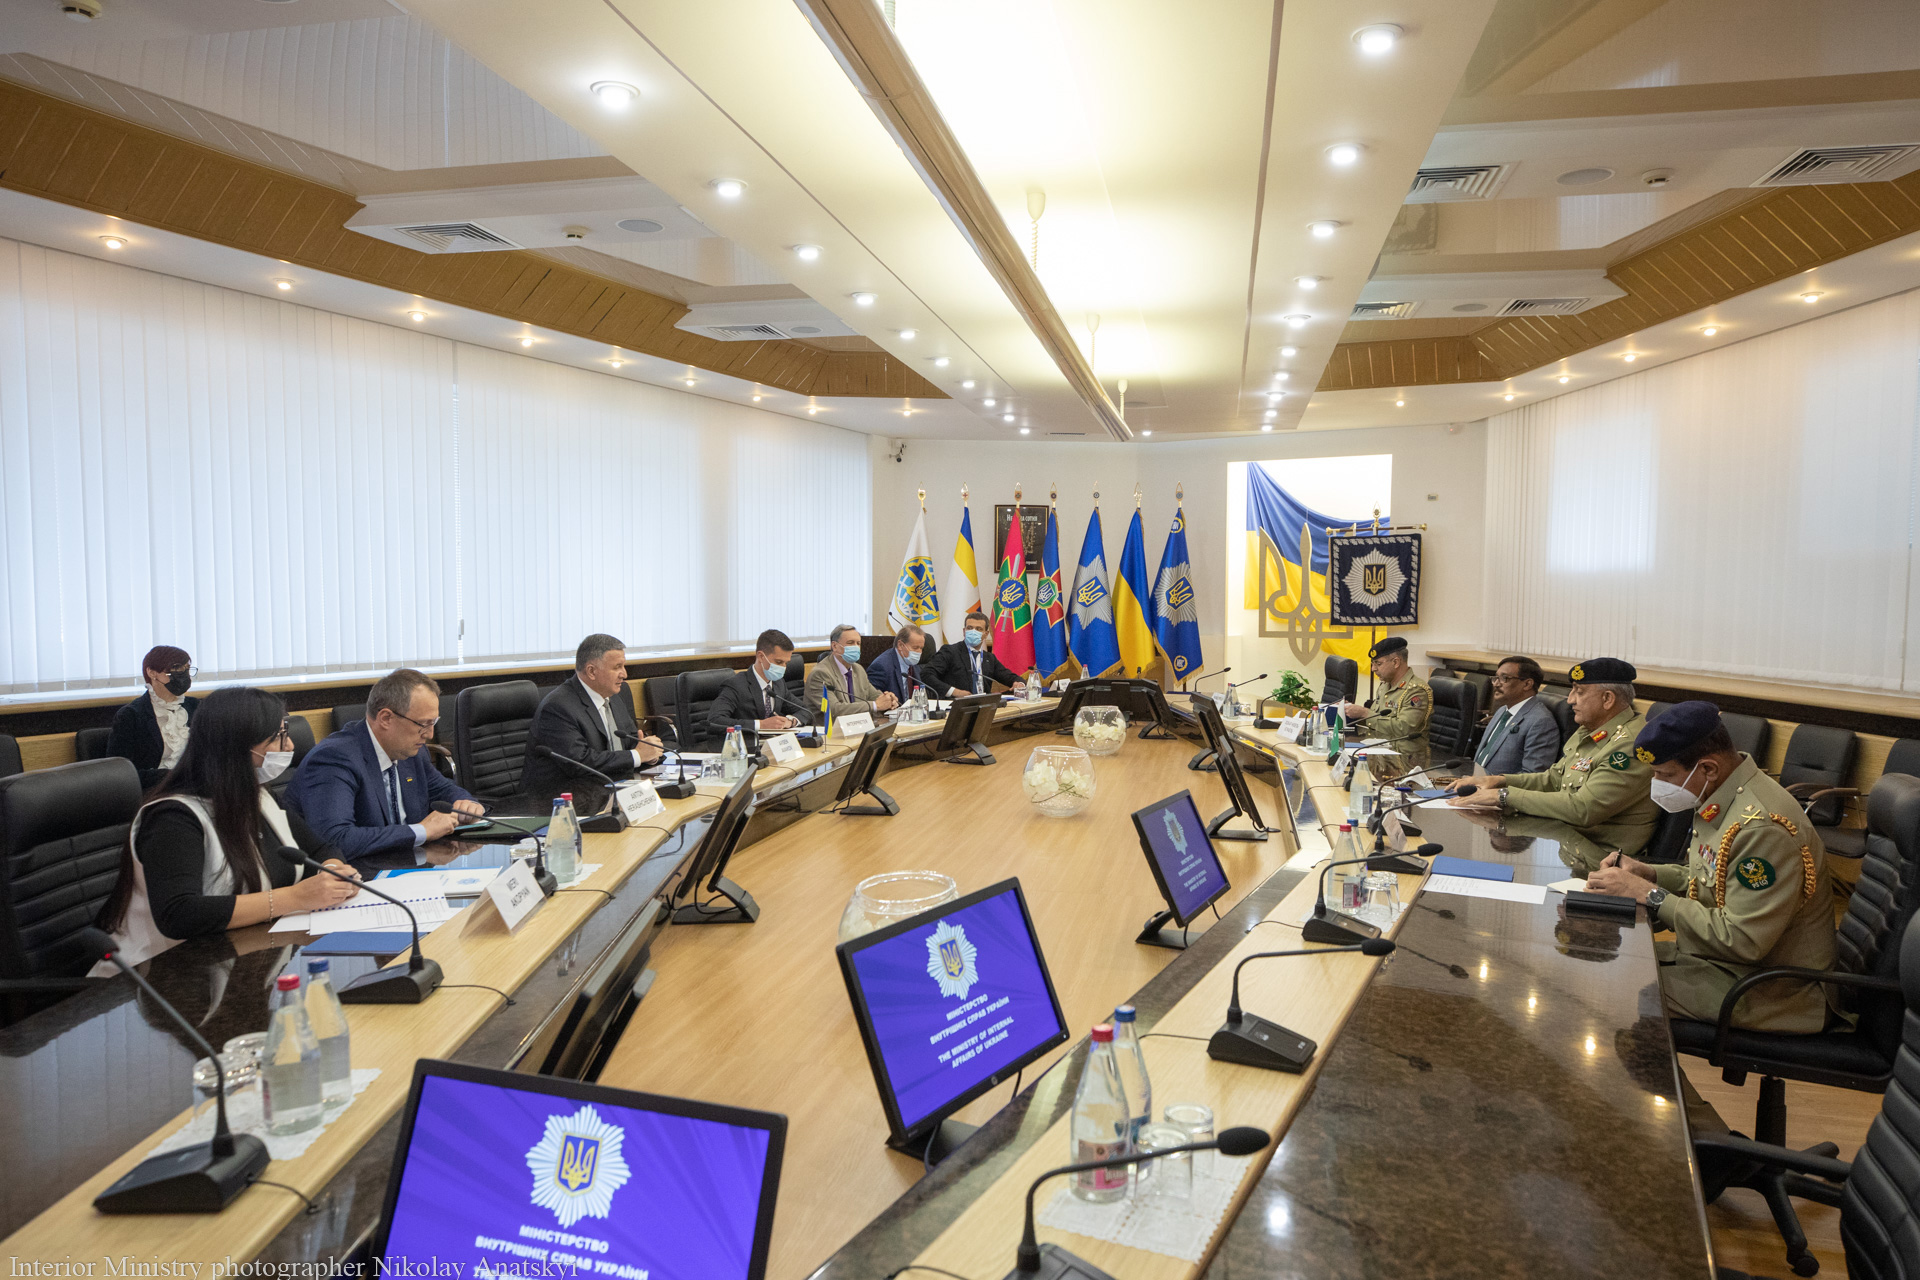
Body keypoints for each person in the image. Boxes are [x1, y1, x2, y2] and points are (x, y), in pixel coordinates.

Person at [1586, 702, 1841, 1034]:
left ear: (1707, 768)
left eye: (1665, 775)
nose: (1656, 784)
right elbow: (1711, 877)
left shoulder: (1760, 828)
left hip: (1776, 991)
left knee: (1614, 987)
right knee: (1607, 961)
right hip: (1725, 966)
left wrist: (1652, 895)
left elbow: (1743, 940)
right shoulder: (1724, 794)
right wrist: (1650, 873)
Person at [94, 687, 361, 968]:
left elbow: (320, 849)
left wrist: (333, 871)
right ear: (238, 746)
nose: (290, 746)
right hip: (160, 971)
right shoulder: (172, 817)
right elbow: (179, 914)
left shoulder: (258, 796)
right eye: (278, 736)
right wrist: (294, 898)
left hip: (245, 954)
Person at [1448, 657, 1657, 871]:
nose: (1570, 700)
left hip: (1604, 861)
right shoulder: (1590, 729)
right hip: (1569, 843)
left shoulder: (1630, 745)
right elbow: (1554, 779)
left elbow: (1583, 809)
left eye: (1579, 692)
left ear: (1607, 699)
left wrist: (1504, 796)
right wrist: (1498, 781)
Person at [283, 669, 482, 865]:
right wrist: (421, 831)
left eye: (434, 723)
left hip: (406, 865)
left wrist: (466, 804)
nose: (430, 734)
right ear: (386, 718)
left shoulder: (410, 750)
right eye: (423, 724)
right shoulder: (334, 758)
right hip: (354, 874)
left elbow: (443, 789)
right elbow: (336, 840)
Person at [522, 634, 664, 801]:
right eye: (617, 667)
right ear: (591, 671)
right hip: (557, 801)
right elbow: (579, 763)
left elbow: (631, 741)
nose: (624, 674)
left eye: (623, 666)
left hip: (605, 792)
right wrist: (637, 755)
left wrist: (650, 752)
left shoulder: (613, 697)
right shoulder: (558, 707)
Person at [106, 645, 200, 788]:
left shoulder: (195, 707)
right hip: (156, 789)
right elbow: (120, 772)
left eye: (186, 669)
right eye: (176, 669)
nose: (183, 675)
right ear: (152, 673)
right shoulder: (131, 715)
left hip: (196, 785)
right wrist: (173, 776)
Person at [1340, 635, 1432, 769]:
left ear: (1396, 662)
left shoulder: (1416, 691)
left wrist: (1365, 713)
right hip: (1380, 751)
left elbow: (1404, 728)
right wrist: (1350, 711)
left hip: (1405, 760)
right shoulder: (1385, 686)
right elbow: (1376, 720)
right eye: (1373, 664)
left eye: (1378, 664)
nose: (1373, 669)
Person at [707, 629, 805, 743]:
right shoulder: (736, 685)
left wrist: (791, 721)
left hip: (774, 745)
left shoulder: (779, 683)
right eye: (779, 662)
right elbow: (714, 721)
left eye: (786, 663)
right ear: (761, 656)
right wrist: (761, 724)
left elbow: (805, 711)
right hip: (744, 746)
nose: (784, 667)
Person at [1470, 655, 1561, 775]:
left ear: (1527, 684)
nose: (1496, 684)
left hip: (1499, 786)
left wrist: (1492, 782)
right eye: (1495, 678)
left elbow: (1532, 776)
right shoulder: (1502, 710)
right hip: (1474, 780)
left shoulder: (1541, 722)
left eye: (1504, 678)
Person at [806, 625, 900, 718]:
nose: (856, 647)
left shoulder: (858, 669)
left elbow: (873, 695)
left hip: (857, 724)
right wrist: (876, 705)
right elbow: (833, 709)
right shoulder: (820, 674)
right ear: (834, 646)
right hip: (830, 726)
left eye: (858, 643)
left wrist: (889, 700)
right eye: (850, 643)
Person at [925, 611, 1027, 697]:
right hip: (957, 705)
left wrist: (1019, 683)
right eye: (970, 628)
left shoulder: (989, 658)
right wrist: (954, 692)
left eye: (978, 629)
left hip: (984, 706)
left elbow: (1009, 677)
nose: (973, 632)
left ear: (986, 634)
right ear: (964, 631)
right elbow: (926, 674)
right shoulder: (950, 652)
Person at [868, 624, 940, 702]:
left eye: (921, 648)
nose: (919, 652)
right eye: (915, 648)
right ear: (900, 645)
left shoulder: (912, 663)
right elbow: (874, 700)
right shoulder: (881, 666)